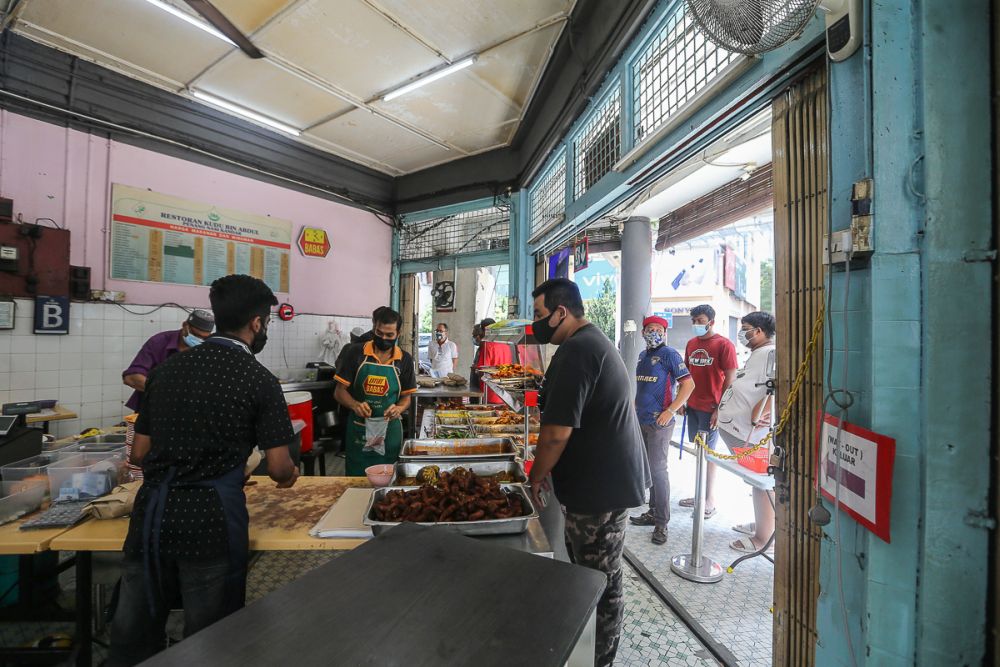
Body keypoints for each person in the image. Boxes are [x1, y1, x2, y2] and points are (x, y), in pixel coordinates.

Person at [108, 275, 299, 666]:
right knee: (212, 639)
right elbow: (280, 468)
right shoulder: (259, 380)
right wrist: (289, 472)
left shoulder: (165, 371)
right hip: (210, 522)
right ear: (257, 323)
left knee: (133, 637)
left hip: (150, 519)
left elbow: (140, 452)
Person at [526, 278, 648, 667]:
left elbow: (556, 434)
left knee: (600, 581)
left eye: (540, 315)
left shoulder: (579, 350)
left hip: (600, 489)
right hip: (600, 480)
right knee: (591, 574)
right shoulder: (588, 343)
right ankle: (590, 648)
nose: (537, 324)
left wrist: (536, 474)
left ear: (562, 312)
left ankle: (599, 659)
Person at [628, 316, 694, 545]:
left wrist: (671, 410)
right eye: (649, 329)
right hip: (642, 420)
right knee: (649, 469)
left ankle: (661, 523)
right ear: (643, 332)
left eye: (658, 329)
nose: (653, 332)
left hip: (660, 422)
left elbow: (689, 384)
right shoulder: (642, 356)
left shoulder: (670, 355)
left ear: (665, 333)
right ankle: (652, 512)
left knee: (658, 470)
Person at [717, 311, 777, 553]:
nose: (743, 334)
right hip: (738, 427)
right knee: (757, 482)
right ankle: (765, 524)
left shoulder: (771, 353)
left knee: (762, 483)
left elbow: (779, 385)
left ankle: (763, 537)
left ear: (760, 331)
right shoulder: (760, 353)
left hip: (749, 433)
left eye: (746, 329)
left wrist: (764, 411)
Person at [334, 307, 417, 476]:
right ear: (373, 328)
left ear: (398, 334)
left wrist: (399, 409)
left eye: (389, 335)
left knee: (388, 481)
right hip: (359, 431)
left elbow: (406, 397)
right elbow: (339, 392)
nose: (383, 339)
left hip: (389, 433)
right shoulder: (355, 353)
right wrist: (355, 404)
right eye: (379, 333)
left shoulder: (405, 360)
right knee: (356, 481)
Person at [680, 304, 738, 518]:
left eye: (700, 320)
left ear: (711, 321)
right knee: (697, 452)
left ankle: (710, 500)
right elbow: (686, 375)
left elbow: (730, 379)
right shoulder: (691, 343)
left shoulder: (724, 345)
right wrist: (682, 401)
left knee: (709, 455)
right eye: (694, 320)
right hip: (692, 407)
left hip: (711, 408)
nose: (696, 324)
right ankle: (698, 495)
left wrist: (720, 409)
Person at [122, 309, 215, 412]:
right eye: (195, 335)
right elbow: (131, 377)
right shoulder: (159, 342)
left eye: (204, 338)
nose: (199, 340)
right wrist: (167, 393)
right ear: (185, 325)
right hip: (152, 409)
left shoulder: (208, 348)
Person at [471, 318, 511, 404]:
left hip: (489, 392)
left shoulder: (487, 346)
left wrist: (475, 368)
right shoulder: (506, 345)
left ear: (484, 330)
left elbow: (482, 371)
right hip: (504, 394)